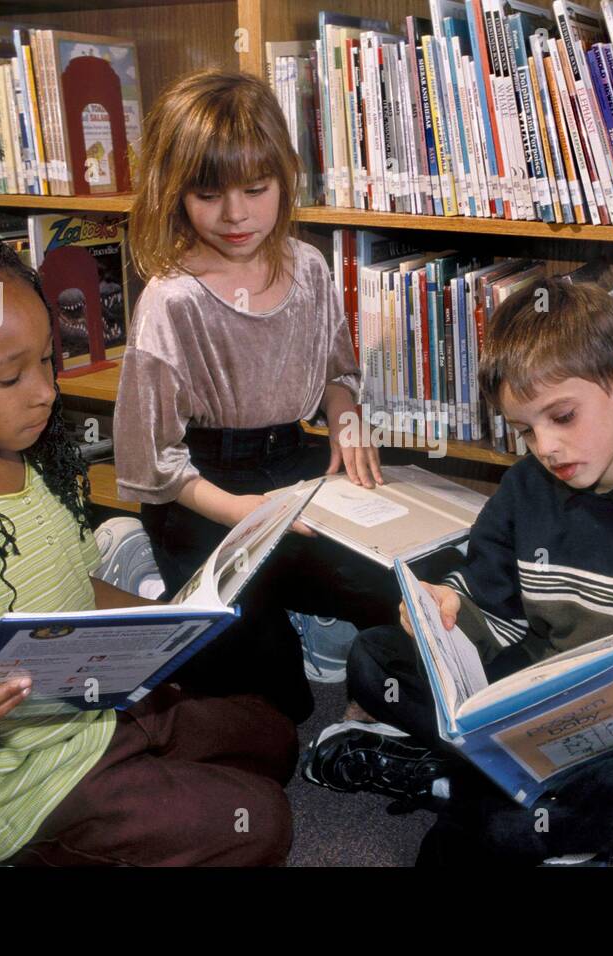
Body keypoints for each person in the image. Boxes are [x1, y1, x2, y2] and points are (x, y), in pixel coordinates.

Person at [0, 222, 296, 866]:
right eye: (11, 379)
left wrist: (169, 621)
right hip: (16, 788)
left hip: (90, 708)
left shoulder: (36, 463)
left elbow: (77, 588)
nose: (45, 392)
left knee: (274, 737)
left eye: (46, 360)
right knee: (259, 823)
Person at [303, 277, 613, 865]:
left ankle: (455, 790)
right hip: (534, 706)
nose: (547, 447)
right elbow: (495, 610)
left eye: (563, 416)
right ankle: (530, 810)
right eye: (526, 430)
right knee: (372, 657)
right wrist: (451, 611)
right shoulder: (525, 489)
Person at [115, 69, 458, 723]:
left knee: (417, 593)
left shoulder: (309, 266)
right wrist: (242, 512)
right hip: (199, 492)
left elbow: (337, 372)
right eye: (208, 193)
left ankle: (301, 609)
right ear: (177, 192)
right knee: (279, 705)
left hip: (293, 471)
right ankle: (141, 569)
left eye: (256, 188)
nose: (236, 213)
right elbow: (153, 461)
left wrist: (346, 419)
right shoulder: (170, 298)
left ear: (284, 179)